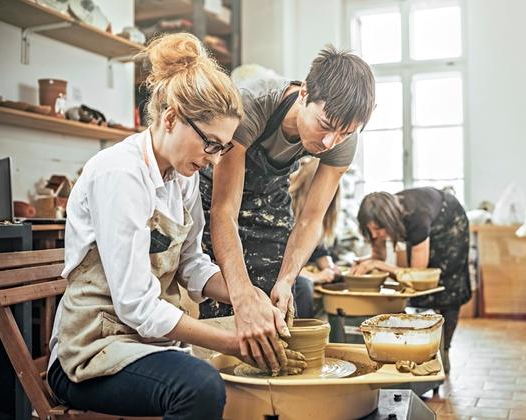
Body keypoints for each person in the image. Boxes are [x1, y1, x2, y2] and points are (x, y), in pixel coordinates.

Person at [46, 33, 304, 419]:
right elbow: (136, 306)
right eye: (211, 144)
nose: (216, 160)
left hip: (147, 343)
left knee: (276, 336)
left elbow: (193, 264)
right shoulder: (120, 174)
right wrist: (231, 342)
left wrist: (249, 296)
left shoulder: (181, 178)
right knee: (199, 386)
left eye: (223, 148)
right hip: (92, 351)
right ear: (170, 118)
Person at [198, 46, 375, 364]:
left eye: (345, 133)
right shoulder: (251, 104)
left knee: (273, 290)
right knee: (223, 295)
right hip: (215, 192)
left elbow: (310, 220)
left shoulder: (341, 138)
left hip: (270, 192)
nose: (329, 143)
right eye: (325, 125)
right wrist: (241, 295)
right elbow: (225, 212)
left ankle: (270, 394)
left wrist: (287, 278)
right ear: (304, 92)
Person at [352, 187, 471, 373]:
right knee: (414, 296)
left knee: (446, 288)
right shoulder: (379, 219)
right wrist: (366, 262)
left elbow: (418, 274)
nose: (374, 235)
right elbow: (378, 255)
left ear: (389, 222)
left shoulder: (416, 217)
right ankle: (416, 349)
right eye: (370, 229)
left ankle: (443, 350)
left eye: (378, 229)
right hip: (426, 224)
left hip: (449, 224)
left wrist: (379, 265)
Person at [288, 157, 341, 317]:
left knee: (339, 282)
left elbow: (320, 250)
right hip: (281, 271)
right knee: (303, 286)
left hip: (301, 269)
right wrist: (315, 276)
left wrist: (330, 268)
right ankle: (302, 337)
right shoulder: (285, 211)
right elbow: (276, 262)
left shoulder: (321, 216)